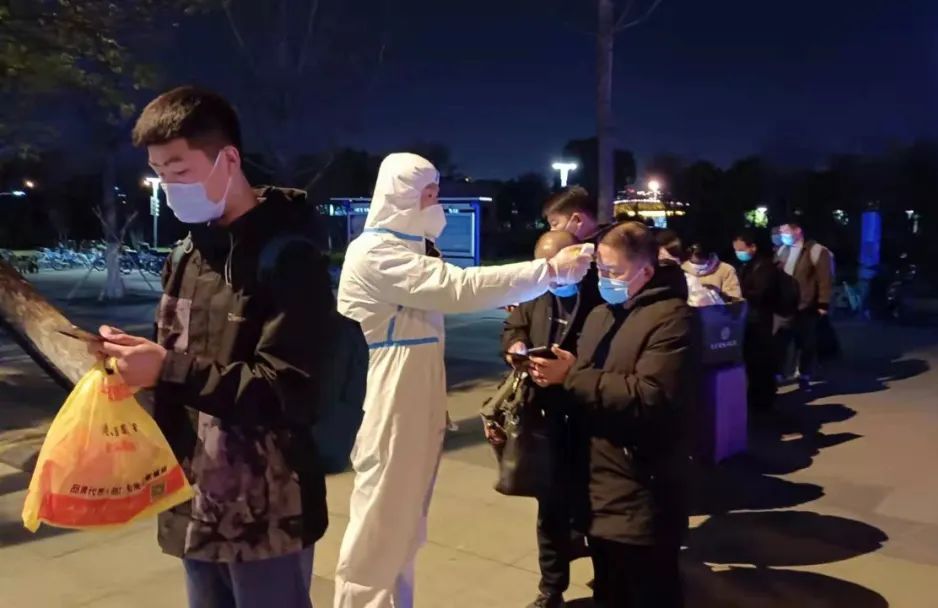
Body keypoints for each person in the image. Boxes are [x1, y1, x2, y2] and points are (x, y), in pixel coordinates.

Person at [93, 86, 334, 607]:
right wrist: (135, 364)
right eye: (159, 173)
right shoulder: (187, 252)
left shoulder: (289, 258)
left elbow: (287, 390)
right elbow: (178, 361)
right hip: (192, 502)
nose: (169, 186)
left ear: (228, 160)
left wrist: (166, 369)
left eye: (180, 170)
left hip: (268, 515)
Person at [334, 153, 592, 608]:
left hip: (411, 402)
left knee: (404, 527)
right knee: (381, 523)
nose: (436, 204)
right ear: (400, 197)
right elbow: (459, 288)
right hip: (390, 401)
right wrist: (547, 272)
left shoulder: (406, 251)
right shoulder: (376, 253)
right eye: (428, 195)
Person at [528, 222, 696, 608]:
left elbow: (651, 397)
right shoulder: (601, 315)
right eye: (600, 270)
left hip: (641, 485)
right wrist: (554, 377)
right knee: (608, 587)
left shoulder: (674, 319)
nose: (604, 279)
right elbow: (586, 385)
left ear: (646, 271)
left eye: (613, 271)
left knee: (649, 589)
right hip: (596, 482)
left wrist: (573, 376)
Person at [495, 230, 597, 608]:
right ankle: (551, 589)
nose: (553, 278)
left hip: (591, 414)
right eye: (546, 270)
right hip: (544, 415)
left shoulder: (601, 295)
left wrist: (572, 372)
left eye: (559, 269)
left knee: (594, 508)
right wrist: (515, 347)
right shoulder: (535, 290)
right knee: (550, 507)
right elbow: (513, 326)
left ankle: (608, 584)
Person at [775, 221, 834, 390]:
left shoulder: (816, 251)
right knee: (780, 340)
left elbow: (824, 279)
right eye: (781, 232)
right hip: (784, 304)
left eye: (785, 231)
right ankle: (779, 373)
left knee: (806, 342)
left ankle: (804, 374)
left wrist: (823, 303)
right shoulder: (782, 250)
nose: (782, 235)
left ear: (797, 231)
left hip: (806, 305)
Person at [733, 230, 783, 410]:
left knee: (761, 362)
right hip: (750, 320)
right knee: (752, 363)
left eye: (741, 249)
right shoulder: (745, 266)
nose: (738, 253)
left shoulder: (764, 267)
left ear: (752, 247)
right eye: (736, 250)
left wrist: (737, 293)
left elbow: (761, 293)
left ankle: (764, 401)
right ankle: (756, 398)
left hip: (761, 321)